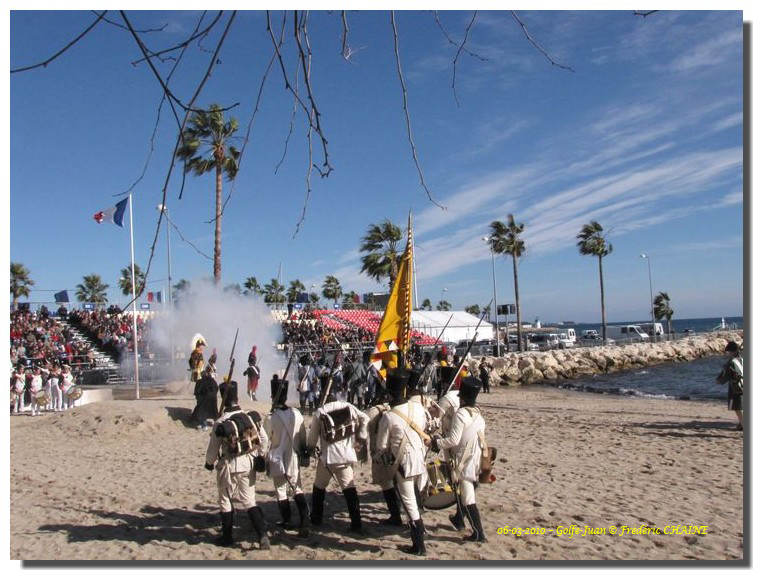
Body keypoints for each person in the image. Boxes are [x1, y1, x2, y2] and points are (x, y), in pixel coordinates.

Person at [204, 381, 270, 549]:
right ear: (237, 397)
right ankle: (262, 536)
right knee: (249, 501)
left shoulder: (221, 422)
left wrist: (209, 463)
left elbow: (213, 449)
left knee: (225, 500)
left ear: (223, 399)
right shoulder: (249, 417)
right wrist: (261, 454)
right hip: (249, 463)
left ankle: (227, 537)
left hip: (229, 465)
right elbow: (263, 439)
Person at [376, 369, 430, 555]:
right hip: (420, 458)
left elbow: (381, 446)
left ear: (390, 394)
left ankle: (419, 546)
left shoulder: (389, 416)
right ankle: (421, 534)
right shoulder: (418, 408)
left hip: (403, 464)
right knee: (414, 500)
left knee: (409, 505)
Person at [306, 387, 369, 533]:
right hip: (346, 456)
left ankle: (316, 518)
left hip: (328, 458)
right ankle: (356, 523)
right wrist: (361, 438)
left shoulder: (320, 412)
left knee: (319, 487)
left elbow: (312, 438)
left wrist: (310, 448)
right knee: (349, 489)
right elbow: (365, 418)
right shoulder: (348, 406)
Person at [432, 376, 487, 543]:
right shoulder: (478, 414)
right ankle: (463, 522)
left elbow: (453, 440)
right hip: (474, 458)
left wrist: (435, 443)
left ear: (462, 398)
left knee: (467, 497)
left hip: (463, 460)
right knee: (466, 494)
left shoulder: (461, 414)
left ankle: (478, 534)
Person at [264, 375, 311, 538]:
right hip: (294, 457)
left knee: (281, 491)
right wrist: (303, 450)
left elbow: (266, 439)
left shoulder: (271, 418)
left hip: (278, 457)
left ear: (273, 397)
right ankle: (305, 522)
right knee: (297, 488)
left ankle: (288, 520)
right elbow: (303, 436)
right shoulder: (297, 414)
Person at [716, 340, 744, 431]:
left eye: (728, 351)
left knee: (737, 408)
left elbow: (727, 376)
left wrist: (719, 381)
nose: (727, 353)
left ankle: (743, 424)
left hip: (736, 387)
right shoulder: (742, 359)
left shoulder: (732, 362)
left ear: (731, 351)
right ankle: (741, 424)